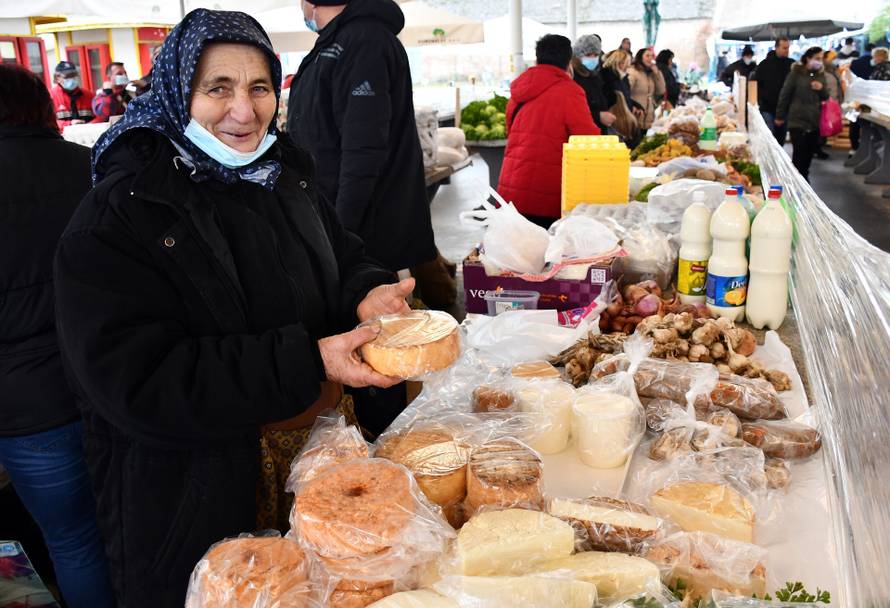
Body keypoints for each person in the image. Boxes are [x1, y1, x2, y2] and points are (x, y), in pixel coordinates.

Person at [53, 10, 409, 605]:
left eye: (259, 87)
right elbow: (137, 381)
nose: (244, 112)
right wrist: (307, 360)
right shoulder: (123, 213)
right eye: (217, 88)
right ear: (176, 90)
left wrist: (364, 289)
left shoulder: (282, 175)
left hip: (321, 466)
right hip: (203, 493)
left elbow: (342, 254)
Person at [286, 0, 446, 436]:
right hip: (333, 227)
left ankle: (384, 447)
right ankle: (364, 441)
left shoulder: (366, 40)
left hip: (362, 235)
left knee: (378, 349)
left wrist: (339, 236)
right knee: (352, 342)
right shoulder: (332, 44)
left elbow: (363, 151)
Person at [0, 63, 115, 608]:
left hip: (26, 411)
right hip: (113, 383)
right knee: (135, 524)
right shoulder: (90, 167)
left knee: (73, 543)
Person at [496, 34, 599, 227]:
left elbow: (511, 131)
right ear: (569, 62)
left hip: (511, 191)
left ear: (537, 59)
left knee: (516, 253)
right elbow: (588, 140)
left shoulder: (520, 89)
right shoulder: (571, 91)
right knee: (545, 253)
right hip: (547, 196)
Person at [775, 46, 829, 181]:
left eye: (821, 59)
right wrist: (780, 115)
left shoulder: (820, 75)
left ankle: (804, 178)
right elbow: (785, 94)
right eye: (817, 58)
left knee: (809, 153)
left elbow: (826, 96)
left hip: (814, 120)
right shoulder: (796, 73)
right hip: (797, 120)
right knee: (799, 153)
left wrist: (821, 88)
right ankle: (797, 181)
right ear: (808, 58)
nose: (819, 61)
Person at [753, 36, 795, 144]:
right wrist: (759, 102)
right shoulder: (764, 65)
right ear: (776, 48)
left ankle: (778, 160)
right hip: (767, 108)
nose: (787, 51)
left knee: (781, 139)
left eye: (788, 48)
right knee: (769, 139)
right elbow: (755, 84)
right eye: (784, 48)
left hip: (785, 109)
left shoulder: (792, 65)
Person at [572, 34, 615, 133]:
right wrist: (598, 116)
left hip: (598, 130)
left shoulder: (595, 74)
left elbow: (606, 99)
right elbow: (574, 110)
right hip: (583, 135)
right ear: (578, 56)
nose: (592, 58)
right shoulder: (573, 77)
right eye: (588, 55)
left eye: (595, 55)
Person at [601, 49, 641, 147]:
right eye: (627, 62)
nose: (629, 65)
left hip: (624, 117)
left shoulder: (623, 77)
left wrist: (635, 105)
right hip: (615, 120)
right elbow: (615, 99)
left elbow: (626, 96)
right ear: (620, 62)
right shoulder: (607, 77)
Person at [628, 47, 667, 130]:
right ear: (640, 57)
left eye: (652, 56)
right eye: (647, 56)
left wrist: (657, 74)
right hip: (636, 116)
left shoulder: (651, 73)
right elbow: (625, 92)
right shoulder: (633, 72)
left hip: (649, 117)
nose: (650, 58)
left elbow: (661, 90)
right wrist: (632, 106)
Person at [49, 61, 95, 128]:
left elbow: (100, 116)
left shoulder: (89, 95)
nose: (72, 79)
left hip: (87, 136)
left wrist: (90, 125)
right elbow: (46, 122)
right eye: (68, 76)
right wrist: (69, 124)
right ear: (57, 78)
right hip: (62, 136)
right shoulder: (50, 96)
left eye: (74, 75)